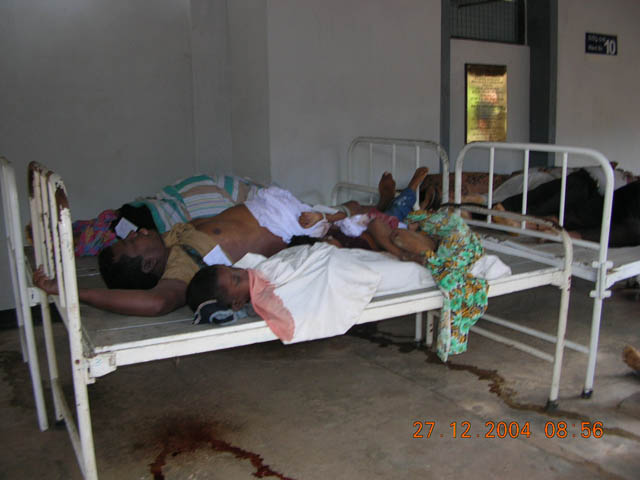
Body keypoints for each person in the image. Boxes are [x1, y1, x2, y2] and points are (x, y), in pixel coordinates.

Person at [33, 169, 427, 316]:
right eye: (133, 243)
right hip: (297, 230)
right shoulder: (180, 266)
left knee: (355, 209)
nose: (136, 232)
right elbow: (155, 302)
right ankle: (389, 206)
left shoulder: (171, 238)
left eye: (133, 235)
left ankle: (382, 204)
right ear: (149, 266)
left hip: (289, 210)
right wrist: (74, 293)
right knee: (365, 224)